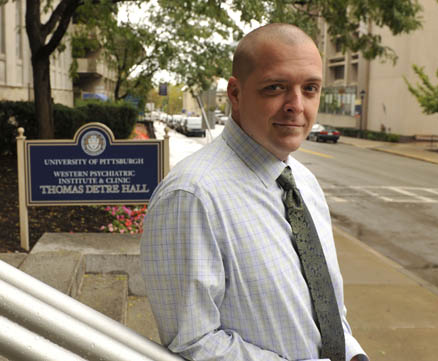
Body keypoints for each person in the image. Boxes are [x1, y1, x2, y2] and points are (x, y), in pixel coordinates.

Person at [141, 23, 369, 361]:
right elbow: (191, 344)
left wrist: (353, 354)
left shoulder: (303, 182)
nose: (296, 104)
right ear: (235, 93)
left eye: (310, 88)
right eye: (276, 87)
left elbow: (325, 304)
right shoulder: (192, 197)